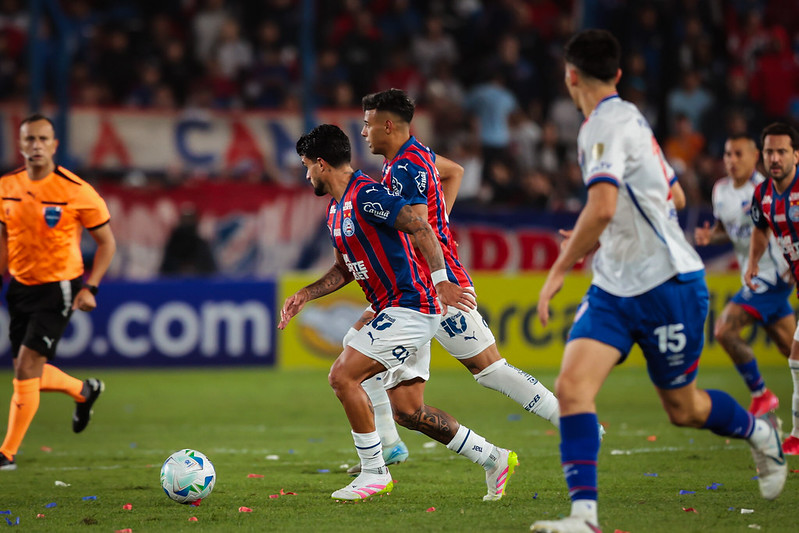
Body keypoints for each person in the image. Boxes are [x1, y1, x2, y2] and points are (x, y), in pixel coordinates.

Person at [531, 30, 786, 533]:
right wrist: (606, 231)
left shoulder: (602, 125)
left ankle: (760, 434)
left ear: (570, 76)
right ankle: (584, 518)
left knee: (684, 408)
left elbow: (604, 206)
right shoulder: (633, 121)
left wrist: (562, 265)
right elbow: (672, 196)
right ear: (619, 75)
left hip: (669, 284)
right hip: (614, 287)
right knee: (572, 387)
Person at [279, 124, 518, 502]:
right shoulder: (336, 210)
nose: (306, 173)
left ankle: (375, 471)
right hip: (392, 309)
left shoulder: (367, 195)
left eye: (307, 165)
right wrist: (306, 294)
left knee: (343, 376)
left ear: (322, 164)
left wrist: (441, 280)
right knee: (410, 411)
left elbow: (421, 227)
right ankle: (494, 458)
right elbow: (345, 268)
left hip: (413, 307)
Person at [345, 88, 564, 477]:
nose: (363, 132)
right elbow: (454, 172)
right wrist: (440, 221)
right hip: (414, 287)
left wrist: (439, 269)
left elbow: (417, 227)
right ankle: (393, 443)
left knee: (490, 370)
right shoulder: (417, 156)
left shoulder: (404, 169)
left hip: (434, 287)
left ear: (388, 125)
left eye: (367, 124)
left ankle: (573, 422)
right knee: (403, 400)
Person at [0, 114, 116, 471]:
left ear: (54, 145)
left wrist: (90, 287)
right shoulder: (6, 186)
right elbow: (5, 236)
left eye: (42, 139)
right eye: (29, 139)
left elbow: (107, 243)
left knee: (26, 366)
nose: (35, 145)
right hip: (20, 286)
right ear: (19, 144)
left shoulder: (76, 191)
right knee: (25, 370)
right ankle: (84, 391)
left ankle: (6, 453)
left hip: (60, 287)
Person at [695, 134, 793, 415]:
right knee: (792, 351)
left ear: (755, 157)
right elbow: (726, 231)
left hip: (772, 277)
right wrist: (709, 236)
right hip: (753, 278)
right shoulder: (720, 190)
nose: (732, 160)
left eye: (739, 154)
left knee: (724, 330)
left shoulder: (766, 191)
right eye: (728, 154)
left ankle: (761, 394)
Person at [745, 122, 799, 455]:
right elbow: (760, 228)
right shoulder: (763, 194)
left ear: (796, 154)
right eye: (769, 152)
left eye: (782, 151)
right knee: (795, 358)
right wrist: (753, 263)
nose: (775, 158)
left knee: (796, 356)